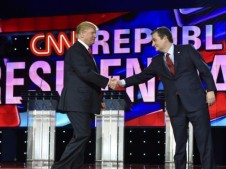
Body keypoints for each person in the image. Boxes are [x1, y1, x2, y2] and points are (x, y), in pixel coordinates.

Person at [111, 27, 216, 169]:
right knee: (179, 145)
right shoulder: (157, 61)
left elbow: (204, 70)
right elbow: (142, 76)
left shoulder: (187, 50)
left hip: (196, 103)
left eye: (155, 40)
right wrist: (121, 82)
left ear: (165, 38)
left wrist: (210, 90)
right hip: (175, 107)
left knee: (204, 142)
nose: (153, 44)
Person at [52, 21, 115, 169]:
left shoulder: (84, 51)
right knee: (82, 134)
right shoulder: (76, 50)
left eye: (95, 33)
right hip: (76, 101)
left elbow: (87, 79)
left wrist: (98, 100)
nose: (95, 36)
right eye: (92, 33)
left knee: (81, 136)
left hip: (84, 101)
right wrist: (108, 82)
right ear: (80, 34)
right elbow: (85, 73)